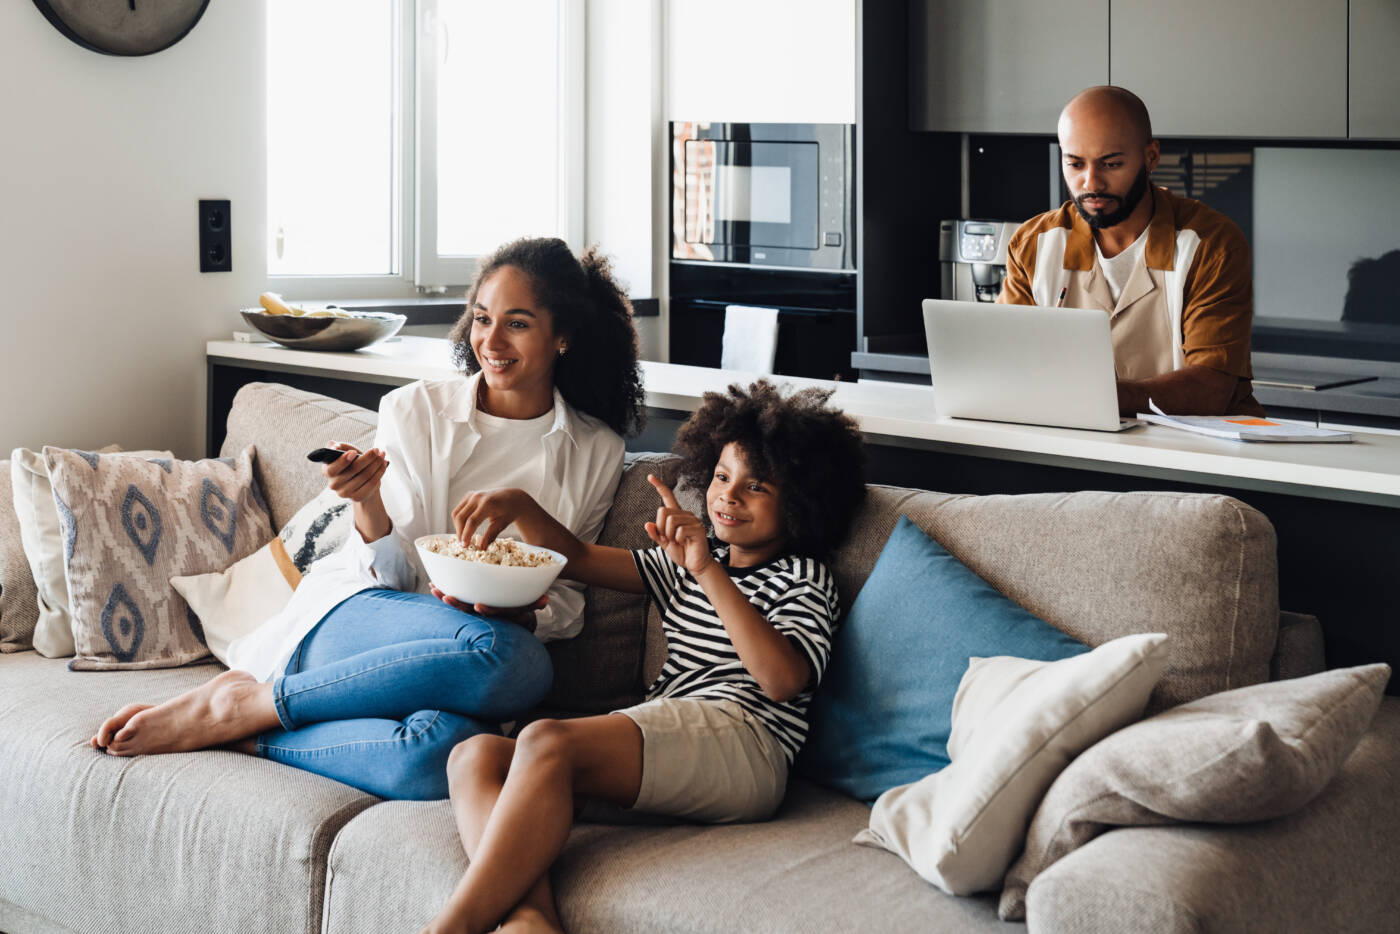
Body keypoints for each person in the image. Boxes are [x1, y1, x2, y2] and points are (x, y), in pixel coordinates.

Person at [90, 237, 646, 801]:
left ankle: (245, 730)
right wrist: (368, 502)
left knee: (441, 757)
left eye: (518, 324)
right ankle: (255, 698)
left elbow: (569, 599)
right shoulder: (415, 411)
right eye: (481, 319)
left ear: (563, 336)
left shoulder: (594, 449)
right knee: (518, 665)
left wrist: (524, 615)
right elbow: (390, 576)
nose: (491, 341)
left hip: (464, 652)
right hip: (361, 620)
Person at [419, 380, 867, 934]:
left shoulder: (802, 578)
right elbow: (576, 558)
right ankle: (530, 921)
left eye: (757, 487)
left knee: (544, 740)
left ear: (800, 503)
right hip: (670, 744)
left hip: (746, 747)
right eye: (723, 477)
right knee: (476, 756)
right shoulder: (687, 561)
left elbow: (780, 680)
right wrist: (519, 504)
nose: (729, 496)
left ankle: (451, 927)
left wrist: (708, 570)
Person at [998, 85, 1265, 418]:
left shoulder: (1211, 245)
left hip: (1195, 455)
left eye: (1110, 164)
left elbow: (1212, 388)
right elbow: (1007, 362)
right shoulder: (1032, 245)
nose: (1090, 183)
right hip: (1075, 441)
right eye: (1076, 164)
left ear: (1151, 157)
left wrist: (1094, 396)